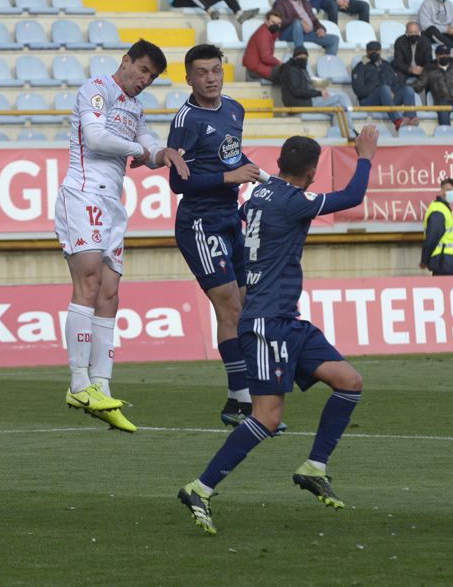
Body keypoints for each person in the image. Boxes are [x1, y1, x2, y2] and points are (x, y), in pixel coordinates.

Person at [177, 125, 380, 535]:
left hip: (285, 318)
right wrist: (365, 156)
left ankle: (314, 466)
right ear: (311, 172)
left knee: (349, 381)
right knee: (267, 418)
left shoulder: (258, 196)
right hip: (267, 323)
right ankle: (200, 487)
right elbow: (353, 198)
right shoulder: (291, 201)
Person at [54, 40, 190, 433]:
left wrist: (162, 154)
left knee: (111, 292)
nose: (145, 80)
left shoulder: (135, 107)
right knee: (90, 279)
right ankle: (78, 383)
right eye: (143, 70)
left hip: (112, 202)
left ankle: (102, 387)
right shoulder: (96, 89)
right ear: (126, 61)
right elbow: (96, 139)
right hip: (82, 194)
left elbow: (148, 144)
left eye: (152, 76)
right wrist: (140, 150)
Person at [168, 45, 272, 428]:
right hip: (199, 222)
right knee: (229, 306)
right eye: (202, 72)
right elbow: (177, 182)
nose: (211, 78)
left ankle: (235, 399)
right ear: (189, 78)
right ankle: (246, 403)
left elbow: (231, 157)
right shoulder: (186, 120)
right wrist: (229, 177)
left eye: (216, 70)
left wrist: (255, 173)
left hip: (231, 217)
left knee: (243, 307)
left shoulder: (234, 109)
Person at [351, 41, 419, 130]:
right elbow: (359, 91)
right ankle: (397, 121)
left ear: (380, 51)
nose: (374, 52)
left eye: (377, 50)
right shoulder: (360, 67)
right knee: (384, 89)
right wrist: (379, 88)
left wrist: (392, 91)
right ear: (367, 52)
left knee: (408, 89)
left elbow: (397, 83)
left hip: (388, 99)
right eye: (371, 50)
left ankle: (410, 118)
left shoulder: (386, 65)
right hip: (369, 101)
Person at [275, 0, 339, 56]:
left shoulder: (305, 2)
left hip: (307, 33)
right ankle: (300, 54)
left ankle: (329, 64)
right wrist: (299, 21)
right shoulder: (280, 3)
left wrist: (321, 28)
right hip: (288, 33)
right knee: (297, 23)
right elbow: (280, 21)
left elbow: (314, 20)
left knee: (334, 39)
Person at [421, 177, 453, 276]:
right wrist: (424, 260)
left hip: (446, 260)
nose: (452, 193)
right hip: (442, 260)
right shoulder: (439, 210)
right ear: (440, 191)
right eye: (448, 190)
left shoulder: (444, 209)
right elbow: (433, 237)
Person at [243, 11, 285, 83]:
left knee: (290, 72)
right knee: (288, 72)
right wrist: (280, 63)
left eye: (278, 24)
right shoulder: (263, 34)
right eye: (273, 22)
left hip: (260, 67)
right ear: (266, 21)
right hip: (255, 70)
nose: (276, 25)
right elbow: (266, 57)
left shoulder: (270, 32)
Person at [393, 21, 433, 88]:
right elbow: (398, 62)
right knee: (397, 79)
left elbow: (429, 60)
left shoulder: (426, 41)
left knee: (431, 77)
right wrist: (410, 69)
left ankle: (424, 96)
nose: (413, 34)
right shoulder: (400, 41)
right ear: (406, 32)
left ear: (419, 32)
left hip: (421, 69)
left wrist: (422, 68)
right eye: (411, 32)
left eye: (415, 32)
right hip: (405, 69)